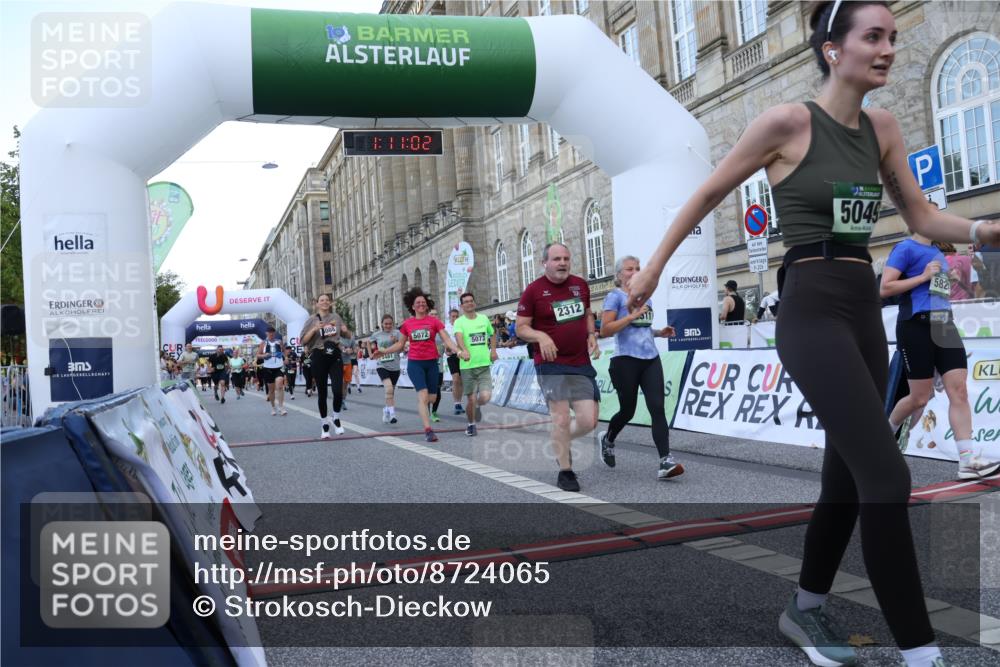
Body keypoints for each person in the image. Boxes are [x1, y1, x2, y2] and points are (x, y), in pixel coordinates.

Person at [625, 3, 1000, 665]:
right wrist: (653, 268)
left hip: (863, 309)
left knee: (846, 479)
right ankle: (922, 653)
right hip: (810, 306)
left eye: (892, 37)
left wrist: (978, 231)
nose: (887, 47)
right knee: (886, 471)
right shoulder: (787, 122)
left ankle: (806, 608)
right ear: (833, 48)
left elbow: (918, 213)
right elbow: (709, 194)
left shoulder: (883, 127)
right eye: (873, 37)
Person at [880, 233, 1000, 480]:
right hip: (916, 324)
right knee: (919, 398)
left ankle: (967, 461)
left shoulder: (939, 252)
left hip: (944, 324)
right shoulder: (905, 248)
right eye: (933, 214)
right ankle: (880, 443)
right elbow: (886, 287)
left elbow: (937, 290)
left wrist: (949, 279)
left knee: (959, 391)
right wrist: (923, 276)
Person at [516, 242, 601, 493]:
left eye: (566, 258)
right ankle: (566, 471)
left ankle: (559, 439)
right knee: (562, 418)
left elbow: (586, 313)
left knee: (589, 421)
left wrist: (591, 333)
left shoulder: (580, 285)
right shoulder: (533, 291)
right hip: (550, 364)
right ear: (545, 263)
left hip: (580, 361)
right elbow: (521, 327)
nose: (562, 263)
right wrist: (542, 337)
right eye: (556, 259)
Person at [599, 256, 683, 480]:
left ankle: (665, 461)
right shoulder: (614, 297)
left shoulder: (646, 298)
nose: (635, 271)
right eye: (629, 269)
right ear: (619, 275)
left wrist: (658, 332)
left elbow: (642, 329)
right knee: (628, 410)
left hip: (650, 358)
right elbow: (606, 330)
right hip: (625, 360)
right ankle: (608, 439)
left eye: (638, 268)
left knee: (657, 407)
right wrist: (632, 315)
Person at [372, 288, 459, 442]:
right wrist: (384, 351)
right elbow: (400, 345)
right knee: (423, 396)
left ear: (426, 306)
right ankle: (428, 430)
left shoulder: (434, 322)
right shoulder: (407, 324)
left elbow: (446, 339)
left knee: (432, 398)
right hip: (415, 364)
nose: (421, 304)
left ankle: (423, 404)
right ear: (412, 306)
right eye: (418, 303)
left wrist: (458, 351)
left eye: (423, 303)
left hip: (432, 363)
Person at [300, 294, 346, 438]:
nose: (325, 302)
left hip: (334, 355)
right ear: (317, 304)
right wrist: (314, 329)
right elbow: (302, 341)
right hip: (318, 356)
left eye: (327, 300)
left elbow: (344, 334)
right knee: (322, 392)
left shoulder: (336, 317)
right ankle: (324, 424)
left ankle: (336, 418)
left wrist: (346, 333)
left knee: (338, 390)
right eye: (322, 300)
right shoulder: (311, 320)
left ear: (330, 303)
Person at [452, 292, 497, 436]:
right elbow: (459, 338)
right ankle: (471, 425)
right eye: (466, 302)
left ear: (474, 303)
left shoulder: (484, 318)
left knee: (485, 397)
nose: (469, 303)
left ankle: (475, 406)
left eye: (471, 301)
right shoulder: (459, 322)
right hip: (467, 366)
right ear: (461, 306)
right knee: (471, 398)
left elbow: (492, 333)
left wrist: (493, 350)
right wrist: (464, 350)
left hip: (484, 364)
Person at [370, 314, 403, 424]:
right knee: (388, 388)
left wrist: (395, 342)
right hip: (382, 365)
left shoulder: (397, 333)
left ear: (393, 324)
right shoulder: (377, 334)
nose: (388, 326)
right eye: (386, 324)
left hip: (395, 366)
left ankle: (386, 409)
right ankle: (393, 414)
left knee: (391, 392)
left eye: (390, 324)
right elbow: (368, 343)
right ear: (382, 324)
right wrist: (371, 354)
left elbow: (402, 349)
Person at [258, 327, 287, 416]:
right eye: (269, 333)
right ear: (266, 333)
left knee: (279, 385)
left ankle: (281, 407)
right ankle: (273, 407)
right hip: (268, 368)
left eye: (273, 333)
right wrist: (264, 356)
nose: (271, 334)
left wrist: (285, 358)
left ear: (274, 333)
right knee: (271, 390)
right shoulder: (263, 343)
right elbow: (258, 355)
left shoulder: (279, 342)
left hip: (278, 367)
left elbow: (284, 351)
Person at [445, 308, 465, 415]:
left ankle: (459, 403)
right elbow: (445, 341)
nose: (455, 318)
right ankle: (456, 403)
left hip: (462, 356)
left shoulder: (462, 326)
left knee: (461, 380)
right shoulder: (446, 328)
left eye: (456, 316)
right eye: (453, 316)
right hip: (452, 356)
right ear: (449, 317)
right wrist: (447, 348)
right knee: (456, 379)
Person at [340, 328, 357, 409]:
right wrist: (343, 350)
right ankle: (339, 400)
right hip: (338, 363)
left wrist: (352, 351)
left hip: (348, 363)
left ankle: (343, 400)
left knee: (345, 384)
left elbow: (356, 349)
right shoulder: (337, 337)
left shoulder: (351, 338)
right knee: (340, 383)